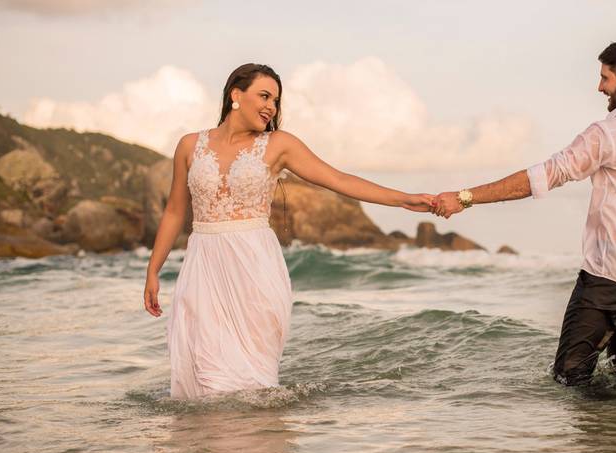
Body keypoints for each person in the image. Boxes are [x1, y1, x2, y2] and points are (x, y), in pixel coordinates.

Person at [144, 63, 434, 398]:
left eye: (276, 101)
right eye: (264, 96)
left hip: (255, 268)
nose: (271, 107)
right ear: (236, 94)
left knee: (248, 384)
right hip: (202, 268)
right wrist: (153, 270)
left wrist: (404, 199)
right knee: (202, 373)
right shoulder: (189, 145)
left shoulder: (278, 144)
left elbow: (338, 179)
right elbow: (174, 211)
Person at [432, 37, 616, 385]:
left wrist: (465, 197)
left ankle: (593, 424)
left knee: (568, 380)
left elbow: (545, 176)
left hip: (607, 278)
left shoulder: (609, 133)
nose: (600, 87)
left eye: (605, 78)